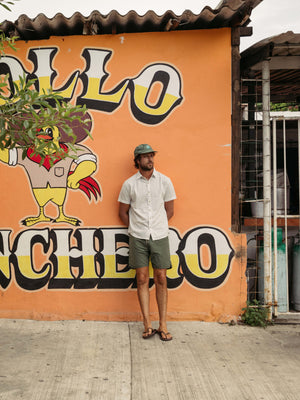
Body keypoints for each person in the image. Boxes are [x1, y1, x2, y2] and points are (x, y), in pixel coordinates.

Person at [118, 144, 176, 341]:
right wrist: (135, 228)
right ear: (137, 161)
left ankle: (163, 324)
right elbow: (122, 212)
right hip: (138, 237)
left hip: (159, 235)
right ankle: (146, 324)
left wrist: (158, 226)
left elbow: (170, 210)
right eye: (145, 157)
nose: (150, 159)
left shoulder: (165, 181)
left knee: (161, 277)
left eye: (151, 156)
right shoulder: (129, 185)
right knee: (142, 278)